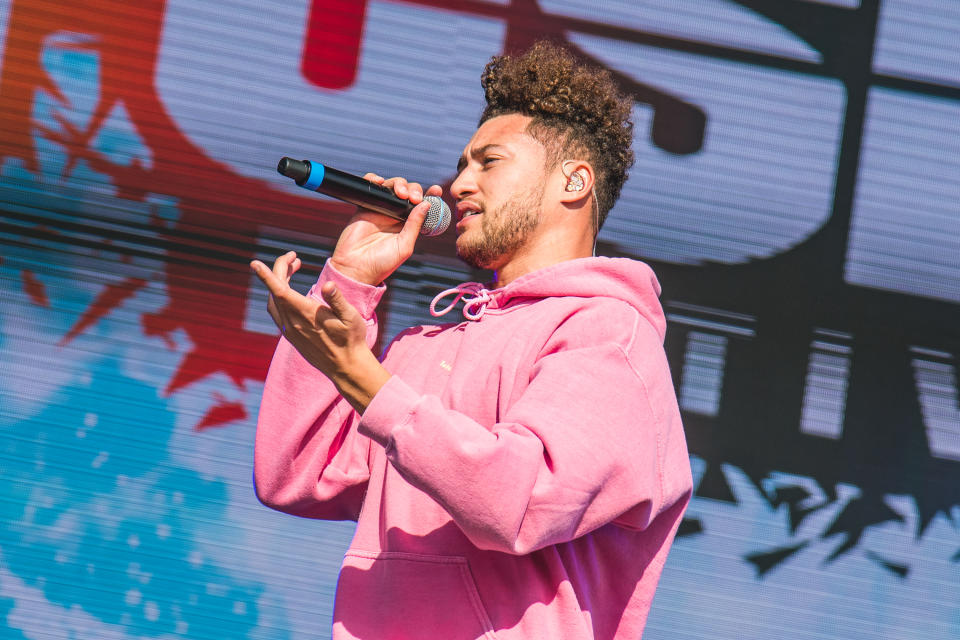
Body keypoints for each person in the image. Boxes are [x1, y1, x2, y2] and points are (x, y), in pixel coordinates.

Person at [250, 41, 692, 640]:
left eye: (489, 162)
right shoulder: (425, 345)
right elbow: (294, 475)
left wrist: (362, 376)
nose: (458, 184)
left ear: (574, 180)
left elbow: (522, 500)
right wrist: (351, 280)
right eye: (462, 165)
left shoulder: (609, 334)